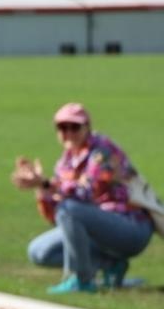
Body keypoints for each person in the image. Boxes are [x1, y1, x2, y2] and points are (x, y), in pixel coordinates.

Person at [12, 102, 153, 291]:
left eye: (74, 127)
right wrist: (40, 190)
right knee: (38, 251)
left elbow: (86, 193)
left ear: (87, 127)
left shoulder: (102, 151)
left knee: (68, 208)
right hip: (99, 229)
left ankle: (81, 279)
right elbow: (57, 218)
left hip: (130, 226)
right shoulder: (65, 162)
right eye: (63, 128)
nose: (68, 133)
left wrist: (46, 184)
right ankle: (111, 264)